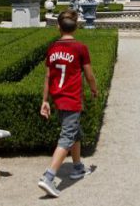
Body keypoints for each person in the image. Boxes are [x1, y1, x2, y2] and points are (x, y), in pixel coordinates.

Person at [38, 10, 98, 198]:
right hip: (71, 99)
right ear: (77, 26)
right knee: (67, 137)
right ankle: (49, 177)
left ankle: (78, 167)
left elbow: (48, 76)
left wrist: (45, 101)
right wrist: (95, 89)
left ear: (58, 27)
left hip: (58, 98)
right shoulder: (80, 48)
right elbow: (89, 74)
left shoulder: (53, 48)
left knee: (75, 132)